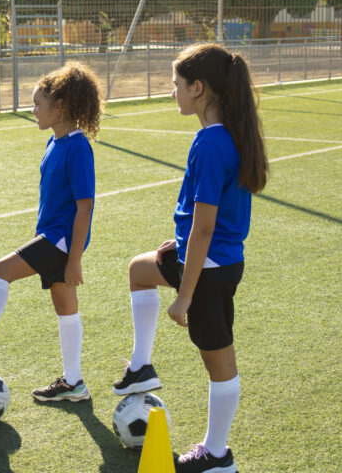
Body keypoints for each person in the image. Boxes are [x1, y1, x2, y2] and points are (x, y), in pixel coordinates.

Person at [112, 43, 268, 473]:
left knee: (219, 362)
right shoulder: (227, 134)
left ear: (198, 88)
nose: (172, 91)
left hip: (210, 269)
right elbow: (198, 225)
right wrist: (180, 244)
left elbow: (204, 227)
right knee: (139, 270)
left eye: (176, 84)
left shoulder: (210, 143)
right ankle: (141, 366)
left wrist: (184, 294)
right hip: (209, 258)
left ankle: (217, 456)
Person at [0, 62, 102, 403]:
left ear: (60, 107)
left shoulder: (77, 147)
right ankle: (74, 383)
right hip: (53, 236)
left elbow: (84, 207)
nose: (33, 110)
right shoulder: (55, 142)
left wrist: (74, 260)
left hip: (61, 242)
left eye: (37, 105)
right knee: (64, 303)